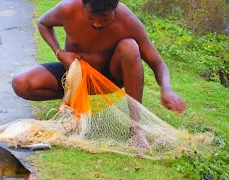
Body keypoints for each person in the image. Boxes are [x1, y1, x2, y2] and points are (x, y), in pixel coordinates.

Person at [12, 0, 187, 148]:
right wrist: (59, 53)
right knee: (21, 83)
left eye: (104, 18)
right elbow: (43, 23)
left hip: (108, 80)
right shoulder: (67, 9)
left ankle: (136, 130)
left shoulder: (127, 21)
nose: (97, 24)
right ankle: (73, 105)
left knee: (130, 47)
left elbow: (157, 62)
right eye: (91, 18)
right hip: (75, 78)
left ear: (114, 9)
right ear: (83, 5)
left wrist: (167, 88)